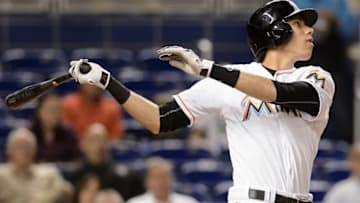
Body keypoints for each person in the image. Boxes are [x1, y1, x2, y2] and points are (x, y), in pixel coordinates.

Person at [68, 0, 335, 202]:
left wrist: (207, 68)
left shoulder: (315, 77)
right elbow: (159, 120)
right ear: (275, 31)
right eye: (299, 24)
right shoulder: (227, 81)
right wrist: (107, 82)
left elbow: (284, 93)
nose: (310, 29)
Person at [70, 123, 144, 200]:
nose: (99, 146)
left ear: (109, 143)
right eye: (93, 140)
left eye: (102, 140)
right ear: (84, 145)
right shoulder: (77, 178)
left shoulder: (126, 176)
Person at [0, 127, 73, 203]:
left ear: (34, 150)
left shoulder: (49, 173)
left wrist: (42, 199)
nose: (24, 150)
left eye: (27, 146)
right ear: (9, 150)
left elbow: (67, 190)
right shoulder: (1, 175)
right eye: (19, 146)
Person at [30, 93, 81, 163]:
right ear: (39, 112)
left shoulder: (69, 133)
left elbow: (77, 162)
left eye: (58, 110)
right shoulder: (29, 135)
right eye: (51, 110)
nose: (56, 114)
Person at [127, 157, 199, 203]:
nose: (161, 182)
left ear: (172, 179)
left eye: (164, 177)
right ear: (147, 182)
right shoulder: (135, 202)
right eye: (156, 177)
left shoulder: (188, 201)